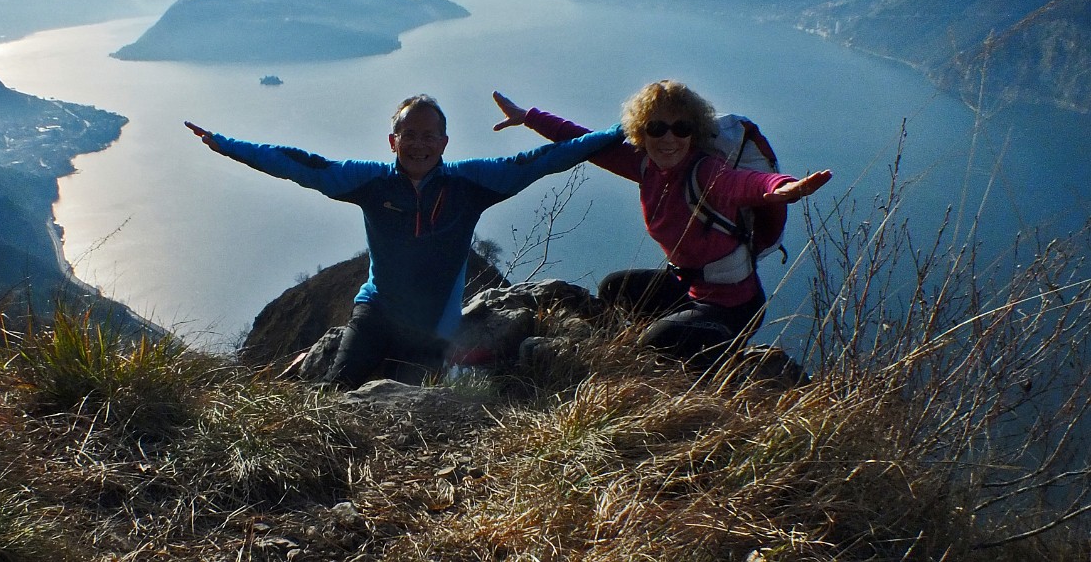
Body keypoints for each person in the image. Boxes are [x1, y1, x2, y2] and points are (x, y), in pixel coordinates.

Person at [185, 94, 625, 388]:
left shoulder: (471, 182)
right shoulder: (371, 181)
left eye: (429, 135)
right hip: (375, 312)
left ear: (444, 142)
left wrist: (620, 132)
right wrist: (225, 145)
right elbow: (301, 165)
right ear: (393, 141)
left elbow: (545, 160)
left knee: (410, 410)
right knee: (338, 392)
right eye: (409, 135)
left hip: (434, 327)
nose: (419, 144)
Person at [491, 82, 832, 368]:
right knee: (615, 288)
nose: (669, 138)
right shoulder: (644, 166)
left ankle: (707, 354)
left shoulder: (706, 172)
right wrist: (530, 118)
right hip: (689, 290)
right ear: (640, 132)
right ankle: (668, 341)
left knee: (655, 341)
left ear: (693, 132)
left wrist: (781, 188)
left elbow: (746, 183)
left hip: (732, 307)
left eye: (681, 128)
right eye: (656, 128)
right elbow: (584, 142)